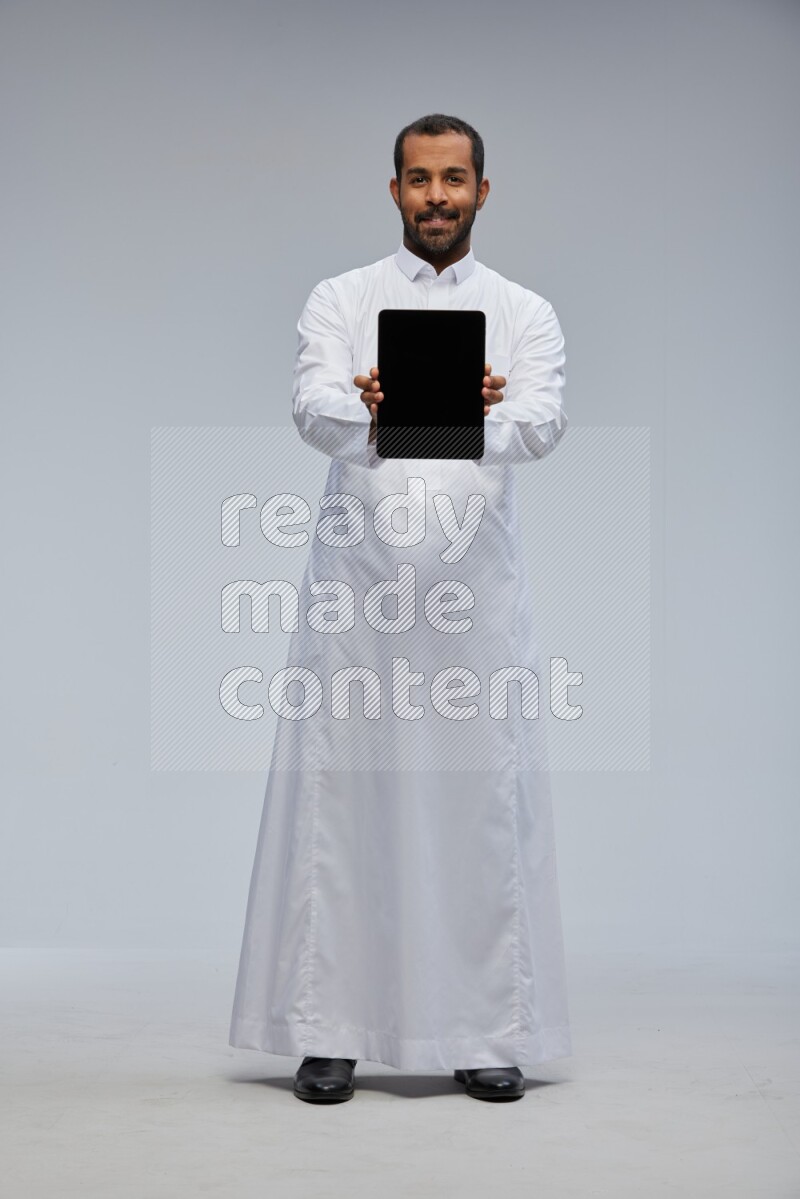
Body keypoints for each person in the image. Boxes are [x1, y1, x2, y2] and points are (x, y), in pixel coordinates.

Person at [229, 113, 571, 1104]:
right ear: (393, 191)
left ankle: (481, 1028)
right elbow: (312, 405)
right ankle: (328, 1027)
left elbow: (539, 419)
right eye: (418, 179)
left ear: (481, 190)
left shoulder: (524, 310)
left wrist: (429, 407)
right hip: (360, 594)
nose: (435, 195)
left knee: (476, 812)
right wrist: (391, 410)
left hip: (473, 601)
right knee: (345, 801)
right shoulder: (341, 299)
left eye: (452, 178)